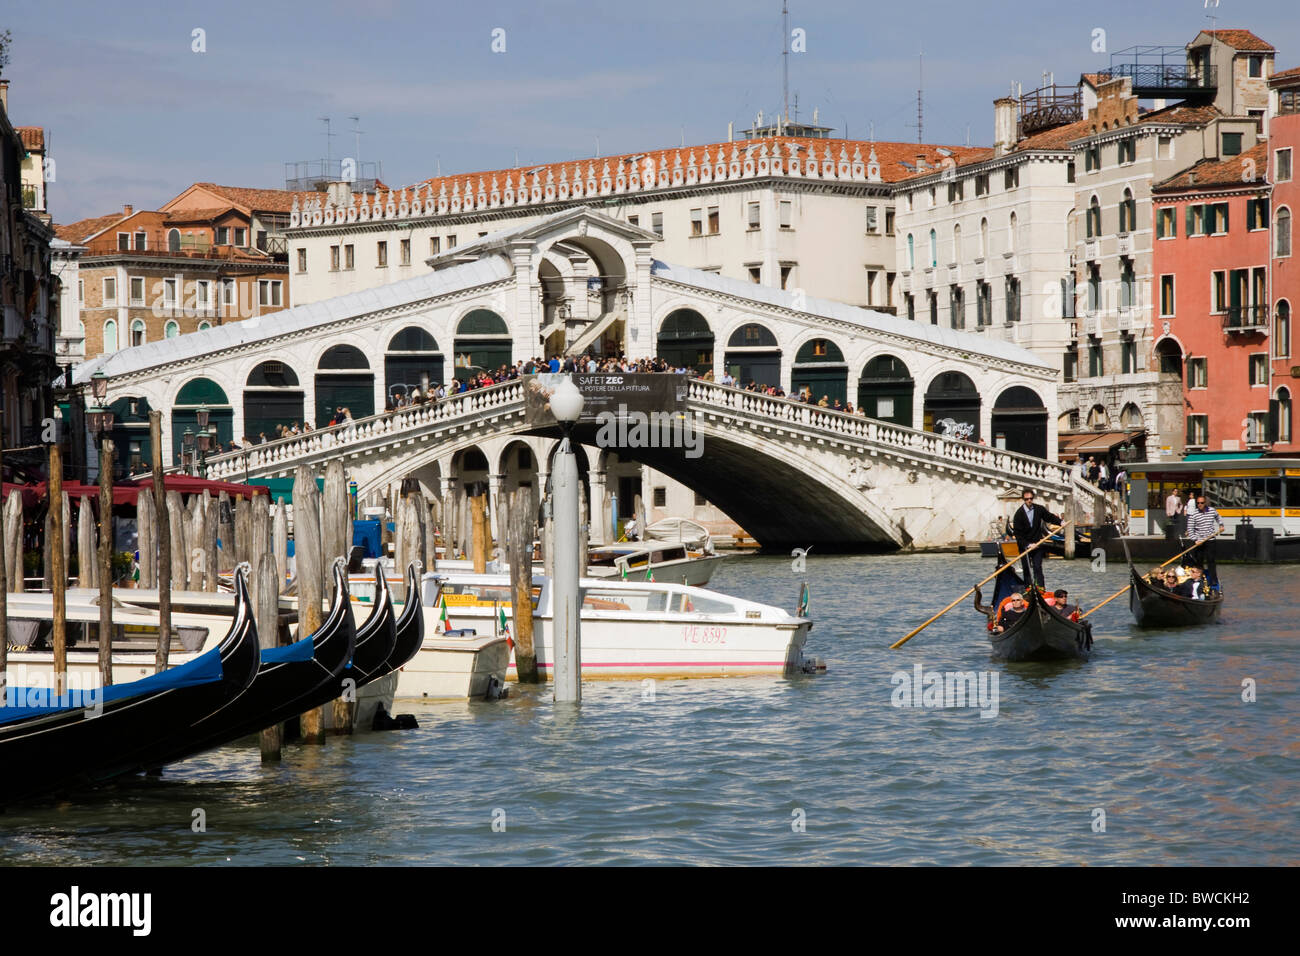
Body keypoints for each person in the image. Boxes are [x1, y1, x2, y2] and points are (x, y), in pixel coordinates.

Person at [1011, 488, 1061, 588]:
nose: (1029, 501)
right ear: (1023, 499)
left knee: (1038, 567)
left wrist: (1060, 522)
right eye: (1026, 499)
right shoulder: (1018, 514)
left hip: (1038, 544)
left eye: (1031, 498)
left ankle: (1040, 589)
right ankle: (1028, 588)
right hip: (1024, 546)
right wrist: (1027, 545)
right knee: (1026, 569)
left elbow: (1049, 517)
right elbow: (1018, 535)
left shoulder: (1039, 509)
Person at [1186, 494, 1224, 588]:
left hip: (1210, 539)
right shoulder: (1194, 514)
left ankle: (1213, 581)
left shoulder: (1212, 510)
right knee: (1199, 561)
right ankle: (1201, 581)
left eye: (1201, 503)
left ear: (1205, 503)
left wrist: (1221, 525)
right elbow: (1190, 529)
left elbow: (1218, 517)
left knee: (1211, 560)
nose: (1199, 504)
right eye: (1198, 503)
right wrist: (1195, 540)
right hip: (1199, 541)